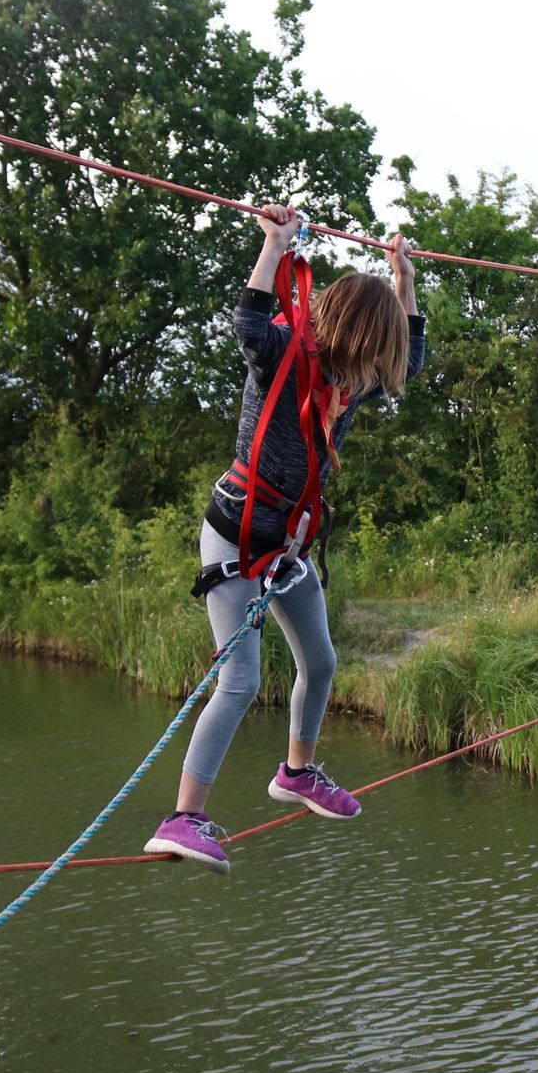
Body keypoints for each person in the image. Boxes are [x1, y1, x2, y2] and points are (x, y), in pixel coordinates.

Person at [146, 204, 425, 873]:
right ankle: (183, 817)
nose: (370, 377)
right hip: (236, 535)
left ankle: (296, 772)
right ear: (350, 336)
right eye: (369, 355)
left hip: (288, 547)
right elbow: (245, 322)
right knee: (240, 680)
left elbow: (408, 359)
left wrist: (404, 278)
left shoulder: (350, 383)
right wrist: (273, 244)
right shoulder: (282, 354)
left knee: (321, 661)